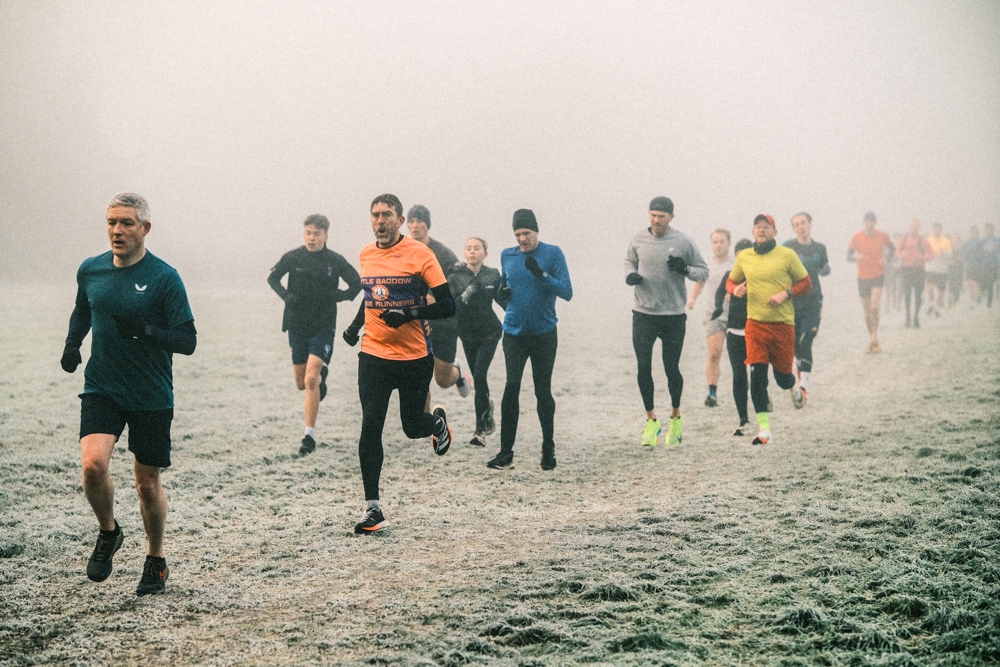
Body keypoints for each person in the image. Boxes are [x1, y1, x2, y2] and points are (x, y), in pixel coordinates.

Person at [60, 193, 196, 596]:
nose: (116, 230)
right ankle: (109, 532)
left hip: (151, 392)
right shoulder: (91, 269)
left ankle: (156, 559)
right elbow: (84, 308)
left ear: (145, 228)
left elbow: (188, 341)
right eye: (111, 222)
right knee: (93, 466)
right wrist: (72, 344)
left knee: (147, 484)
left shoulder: (165, 277)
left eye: (126, 223)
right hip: (102, 386)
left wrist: (148, 331)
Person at [340, 194, 456, 534]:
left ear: (400, 220)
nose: (381, 220)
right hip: (373, 356)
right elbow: (371, 296)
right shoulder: (366, 254)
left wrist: (408, 313)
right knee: (370, 426)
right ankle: (373, 509)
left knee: (412, 427)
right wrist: (354, 327)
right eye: (375, 215)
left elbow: (447, 305)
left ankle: (436, 424)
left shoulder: (421, 254)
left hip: (413, 357)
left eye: (387, 214)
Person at [486, 209, 573, 470]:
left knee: (542, 390)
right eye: (518, 234)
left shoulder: (553, 253)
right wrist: (502, 294)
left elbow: (567, 291)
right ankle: (505, 452)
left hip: (544, 333)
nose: (522, 239)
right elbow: (505, 289)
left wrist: (541, 274)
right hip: (514, 333)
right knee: (511, 387)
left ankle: (548, 448)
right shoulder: (507, 255)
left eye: (526, 233)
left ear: (536, 231)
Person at [267, 214, 361, 455]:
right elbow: (273, 278)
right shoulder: (293, 257)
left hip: (323, 327)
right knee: (302, 384)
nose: (311, 238)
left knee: (309, 379)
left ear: (325, 236)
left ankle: (308, 437)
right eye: (308, 233)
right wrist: (286, 296)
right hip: (297, 325)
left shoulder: (335, 260)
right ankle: (321, 379)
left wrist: (340, 296)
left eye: (317, 234)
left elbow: (357, 283)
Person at [623, 196, 709, 448]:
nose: (656, 220)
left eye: (661, 216)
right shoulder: (638, 238)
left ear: (671, 216)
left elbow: (703, 271)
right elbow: (629, 261)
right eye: (652, 215)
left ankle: (675, 416)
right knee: (643, 367)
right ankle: (651, 421)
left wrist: (686, 270)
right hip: (643, 313)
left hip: (672, 315)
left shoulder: (683, 241)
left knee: (671, 367)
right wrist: (630, 275)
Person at [726, 214, 811, 445]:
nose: (761, 230)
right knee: (757, 377)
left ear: (775, 232)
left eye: (766, 227)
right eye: (758, 227)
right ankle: (764, 430)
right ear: (753, 232)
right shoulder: (745, 256)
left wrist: (786, 293)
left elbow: (806, 283)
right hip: (755, 325)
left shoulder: (787, 255)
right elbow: (730, 281)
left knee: (782, 377)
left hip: (783, 325)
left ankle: (794, 389)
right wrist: (735, 290)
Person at [406, 205, 472, 407]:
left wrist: (437, 296)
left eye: (419, 221)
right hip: (416, 324)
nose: (415, 225)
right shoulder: (403, 252)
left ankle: (458, 372)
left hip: (443, 324)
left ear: (427, 224)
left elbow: (461, 282)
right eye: (411, 221)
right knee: (419, 379)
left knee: (442, 380)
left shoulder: (443, 254)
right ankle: (424, 420)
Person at [448, 237, 504, 447]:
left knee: (479, 376)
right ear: (465, 253)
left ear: (485, 254)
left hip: (490, 332)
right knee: (480, 382)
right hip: (467, 334)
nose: (472, 252)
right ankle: (486, 406)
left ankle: (479, 431)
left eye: (477, 248)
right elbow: (453, 305)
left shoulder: (493, 274)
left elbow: (503, 301)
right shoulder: (456, 275)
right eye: (469, 248)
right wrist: (467, 293)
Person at [782, 212, 830, 406]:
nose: (800, 227)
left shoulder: (820, 248)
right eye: (796, 225)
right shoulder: (788, 247)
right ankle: (800, 379)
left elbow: (824, 267)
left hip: (813, 302)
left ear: (810, 224)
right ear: (794, 229)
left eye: (803, 223)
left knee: (806, 340)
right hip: (792, 302)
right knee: (795, 346)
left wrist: (825, 270)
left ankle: (803, 387)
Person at [686, 228, 733, 407]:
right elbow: (700, 283)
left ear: (729, 243)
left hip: (736, 316)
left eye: (722, 242)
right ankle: (712, 392)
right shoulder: (707, 264)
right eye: (715, 242)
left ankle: (751, 388)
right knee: (714, 354)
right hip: (714, 315)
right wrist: (692, 299)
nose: (718, 245)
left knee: (743, 357)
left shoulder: (736, 263)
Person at [712, 238, 753, 435]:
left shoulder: (761, 276)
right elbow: (719, 293)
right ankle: (743, 419)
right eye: (739, 258)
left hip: (756, 331)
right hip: (735, 331)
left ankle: (762, 397)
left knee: (758, 374)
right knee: (739, 374)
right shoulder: (730, 276)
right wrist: (719, 308)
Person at [847, 212, 894, 352]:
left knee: (874, 307)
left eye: (872, 221)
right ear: (864, 223)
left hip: (878, 274)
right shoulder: (857, 237)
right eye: (867, 221)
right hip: (862, 277)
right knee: (867, 312)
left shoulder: (882, 235)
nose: (870, 224)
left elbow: (892, 249)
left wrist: (886, 259)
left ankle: (874, 337)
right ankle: (872, 338)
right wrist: (856, 257)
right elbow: (848, 255)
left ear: (875, 223)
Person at [896, 219, 933, 328]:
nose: (914, 228)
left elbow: (931, 254)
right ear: (909, 227)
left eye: (916, 226)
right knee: (907, 294)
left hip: (919, 270)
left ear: (919, 228)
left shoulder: (923, 240)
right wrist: (900, 256)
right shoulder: (904, 239)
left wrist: (922, 257)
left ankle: (916, 317)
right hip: (906, 269)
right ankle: (908, 317)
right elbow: (897, 251)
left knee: (918, 295)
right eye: (912, 226)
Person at [924, 222, 951, 318]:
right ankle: (931, 303)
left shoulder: (946, 241)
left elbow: (950, 254)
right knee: (930, 288)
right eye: (934, 229)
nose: (936, 231)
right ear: (932, 230)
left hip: (942, 269)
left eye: (938, 229)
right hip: (931, 268)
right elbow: (924, 252)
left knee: (941, 290)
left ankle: (937, 308)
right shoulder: (928, 240)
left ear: (941, 230)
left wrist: (944, 253)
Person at [978, 223, 999, 311]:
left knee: (991, 284)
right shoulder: (981, 240)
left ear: (993, 230)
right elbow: (977, 252)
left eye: (990, 229)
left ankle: (989, 305)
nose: (989, 231)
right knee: (984, 283)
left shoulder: (997, 240)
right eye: (987, 229)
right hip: (984, 265)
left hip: (994, 265)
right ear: (985, 230)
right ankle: (982, 292)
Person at [947, 231, 964, 308]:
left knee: (958, 284)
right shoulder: (949, 247)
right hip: (951, 268)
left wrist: (961, 259)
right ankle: (950, 301)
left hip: (960, 268)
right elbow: (945, 257)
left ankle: (956, 298)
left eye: (958, 238)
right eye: (955, 238)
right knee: (951, 285)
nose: (956, 240)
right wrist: (949, 261)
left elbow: (966, 257)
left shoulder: (962, 248)